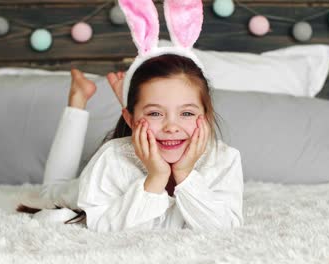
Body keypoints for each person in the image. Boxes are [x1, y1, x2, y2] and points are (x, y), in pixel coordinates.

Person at [18, 0, 244, 232]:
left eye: (187, 113)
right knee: (51, 192)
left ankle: (139, 106)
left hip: (136, 121)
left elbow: (225, 228)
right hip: (103, 172)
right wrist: (156, 177)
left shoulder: (224, 160)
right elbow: (104, 228)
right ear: (129, 119)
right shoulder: (112, 159)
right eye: (156, 113)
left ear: (205, 117)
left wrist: (184, 174)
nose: (172, 127)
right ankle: (79, 97)